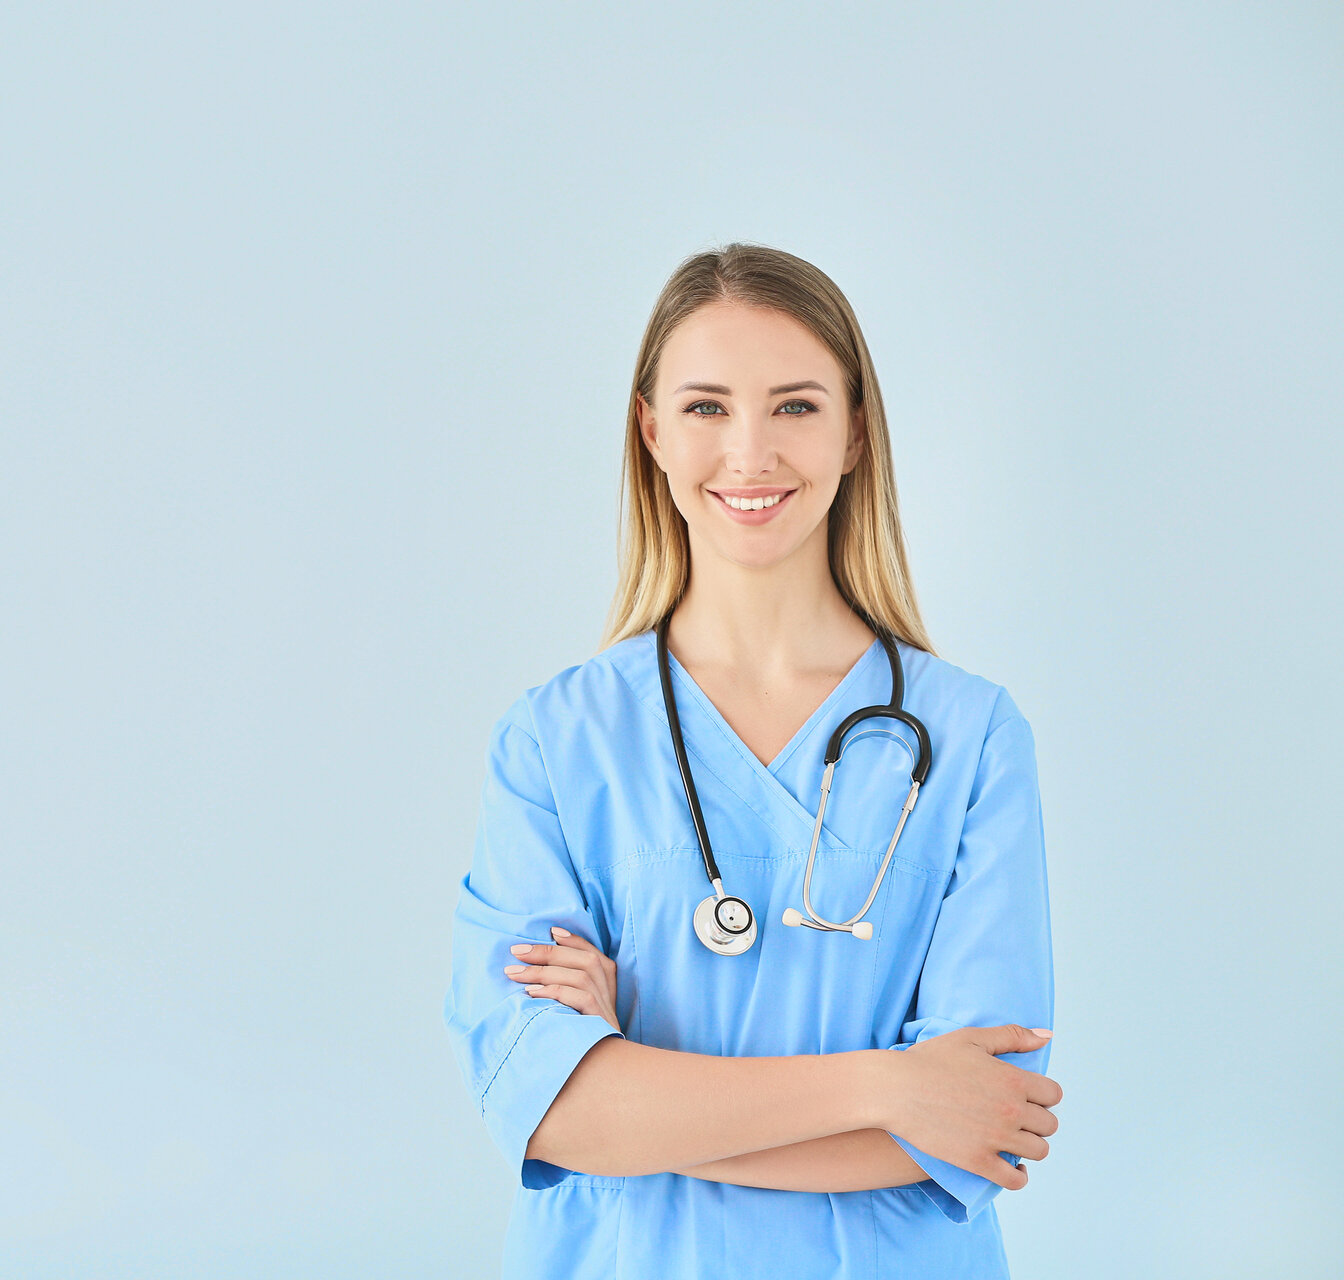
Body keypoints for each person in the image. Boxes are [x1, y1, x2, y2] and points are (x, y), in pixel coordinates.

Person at [441, 243, 1060, 1279]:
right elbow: (547, 1111)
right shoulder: (556, 740)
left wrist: (638, 1091)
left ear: (857, 431)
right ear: (650, 430)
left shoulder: (974, 739)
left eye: (796, 406)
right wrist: (887, 1083)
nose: (750, 452)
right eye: (706, 407)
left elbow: (979, 1119)